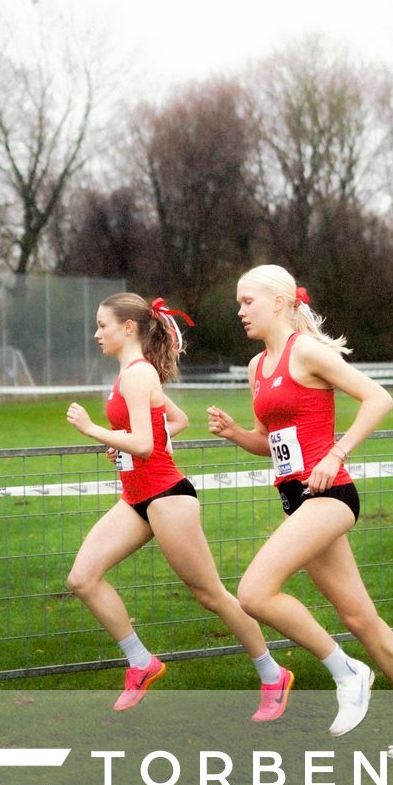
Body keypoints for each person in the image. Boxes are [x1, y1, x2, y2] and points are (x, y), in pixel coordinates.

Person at [207, 265, 393, 758]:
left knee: (253, 592)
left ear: (278, 302)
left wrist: (336, 454)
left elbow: (376, 398)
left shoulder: (307, 352)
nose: (240, 311)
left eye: (247, 301)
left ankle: (347, 670)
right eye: (239, 302)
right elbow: (271, 443)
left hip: (331, 495)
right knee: (360, 616)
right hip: (296, 499)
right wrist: (237, 434)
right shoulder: (259, 367)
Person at [67, 293, 291, 717]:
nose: (97, 334)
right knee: (83, 578)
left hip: (168, 497)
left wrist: (94, 430)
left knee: (211, 595)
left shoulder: (136, 375)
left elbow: (146, 444)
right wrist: (124, 450)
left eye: (103, 325)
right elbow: (174, 422)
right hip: (135, 497)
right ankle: (141, 663)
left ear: (128, 328)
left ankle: (272, 673)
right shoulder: (131, 374)